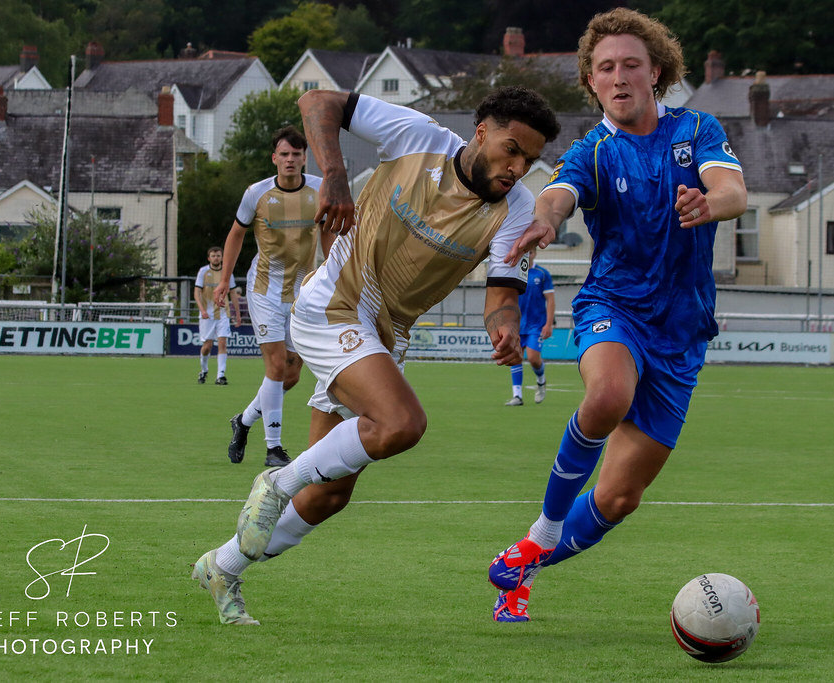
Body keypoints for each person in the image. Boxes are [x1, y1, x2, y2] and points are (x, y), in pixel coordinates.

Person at [191, 86, 560, 625]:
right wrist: (335, 175)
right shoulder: (419, 137)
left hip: (389, 335)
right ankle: (275, 480)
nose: (517, 167)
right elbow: (319, 101)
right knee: (402, 423)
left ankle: (222, 567)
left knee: (330, 495)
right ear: (481, 132)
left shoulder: (517, 209)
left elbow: (502, 297)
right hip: (335, 303)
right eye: (511, 150)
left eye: (528, 160)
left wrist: (503, 330)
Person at [487, 7, 747, 622]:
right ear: (592, 82)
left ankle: (521, 564)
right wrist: (546, 219)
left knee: (619, 496)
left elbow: (734, 189)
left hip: (683, 333)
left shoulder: (696, 129)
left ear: (656, 72)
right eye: (606, 68)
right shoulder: (593, 151)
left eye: (632, 64)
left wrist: (711, 203)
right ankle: (546, 530)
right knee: (606, 395)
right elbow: (557, 194)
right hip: (615, 306)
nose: (620, 75)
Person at [213, 126, 335, 467]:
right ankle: (274, 448)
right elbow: (236, 234)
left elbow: (327, 234)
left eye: (297, 154)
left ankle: (244, 420)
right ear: (274, 159)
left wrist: (334, 276)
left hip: (302, 292)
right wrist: (225, 281)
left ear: (304, 158)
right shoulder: (257, 194)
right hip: (264, 290)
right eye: (284, 154)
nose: (291, 160)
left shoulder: (320, 189)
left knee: (292, 374)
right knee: (277, 367)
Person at [505, 249, 555, 406]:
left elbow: (550, 300)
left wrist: (548, 324)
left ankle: (541, 381)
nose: (528, 254)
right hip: (516, 324)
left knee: (533, 358)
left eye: (531, 252)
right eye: (525, 252)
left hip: (535, 325)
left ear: (535, 254)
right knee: (515, 357)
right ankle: (517, 396)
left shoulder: (542, 274)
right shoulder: (513, 273)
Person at [194, 246, 240, 385]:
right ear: (209, 258)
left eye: (218, 255)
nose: (216, 258)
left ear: (222, 257)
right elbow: (197, 292)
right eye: (213, 256)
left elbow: (232, 293)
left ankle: (220, 375)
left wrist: (237, 314)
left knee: (222, 343)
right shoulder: (203, 271)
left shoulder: (227, 272)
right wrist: (202, 310)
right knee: (207, 346)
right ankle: (204, 370)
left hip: (223, 313)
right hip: (207, 314)